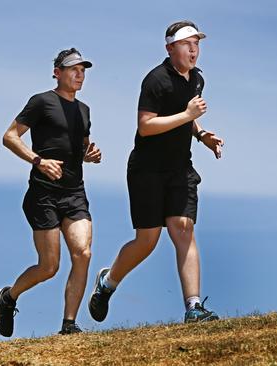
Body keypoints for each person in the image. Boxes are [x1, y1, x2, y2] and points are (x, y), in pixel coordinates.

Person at [88, 20, 224, 324]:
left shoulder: (197, 79)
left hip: (180, 169)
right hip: (146, 170)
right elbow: (146, 126)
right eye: (187, 43)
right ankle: (107, 283)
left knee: (183, 228)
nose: (193, 49)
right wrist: (189, 115)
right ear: (170, 48)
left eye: (197, 43)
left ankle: (193, 307)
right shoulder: (155, 80)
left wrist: (201, 135)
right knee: (147, 241)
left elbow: (185, 118)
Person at [0, 48, 102, 337]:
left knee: (83, 253)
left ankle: (69, 325)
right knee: (49, 266)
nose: (79, 74)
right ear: (57, 72)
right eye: (73, 69)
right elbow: (9, 136)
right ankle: (8, 297)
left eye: (83, 70)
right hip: (43, 195)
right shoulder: (42, 101)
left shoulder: (84, 110)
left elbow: (80, 147)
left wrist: (88, 154)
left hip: (74, 192)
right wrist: (38, 161)